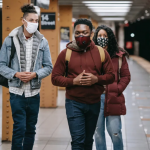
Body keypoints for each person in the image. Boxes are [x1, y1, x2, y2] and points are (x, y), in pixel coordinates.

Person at [51, 19, 115, 150]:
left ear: (91, 34)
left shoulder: (102, 53)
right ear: (74, 34)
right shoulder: (66, 53)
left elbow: (111, 76)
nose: (81, 36)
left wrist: (96, 79)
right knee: (78, 141)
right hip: (74, 103)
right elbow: (55, 78)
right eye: (78, 33)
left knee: (87, 140)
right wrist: (73, 81)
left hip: (94, 103)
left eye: (84, 32)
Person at [0, 4, 52, 150]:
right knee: (19, 129)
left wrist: (35, 74)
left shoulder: (43, 41)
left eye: (36, 20)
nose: (34, 23)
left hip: (34, 93)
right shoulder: (9, 40)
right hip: (17, 93)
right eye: (31, 20)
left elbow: (49, 67)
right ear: (23, 21)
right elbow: (1, 65)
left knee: (31, 129)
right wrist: (15, 74)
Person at [93, 25, 131, 150]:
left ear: (110, 38)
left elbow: (126, 76)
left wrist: (117, 89)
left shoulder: (118, 55)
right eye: (99, 36)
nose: (102, 38)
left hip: (113, 98)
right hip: (95, 98)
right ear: (95, 37)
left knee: (116, 133)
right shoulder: (91, 53)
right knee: (98, 134)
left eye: (105, 36)